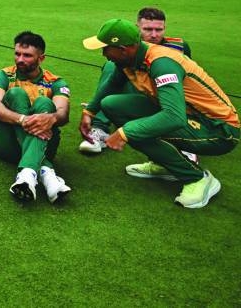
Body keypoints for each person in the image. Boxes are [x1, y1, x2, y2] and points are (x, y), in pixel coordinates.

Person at [80, 19, 239, 209]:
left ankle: (198, 178)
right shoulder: (131, 58)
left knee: (136, 129)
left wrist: (125, 132)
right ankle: (165, 163)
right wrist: (89, 111)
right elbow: (113, 84)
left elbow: (173, 116)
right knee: (112, 105)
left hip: (218, 129)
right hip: (188, 116)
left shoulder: (162, 64)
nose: (104, 54)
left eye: (106, 48)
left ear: (123, 49)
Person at [79, 7, 191, 154]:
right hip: (140, 93)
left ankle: (184, 142)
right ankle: (99, 127)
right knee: (111, 67)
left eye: (159, 29)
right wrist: (90, 111)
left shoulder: (179, 47)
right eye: (148, 29)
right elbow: (113, 83)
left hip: (170, 99)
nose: (153, 35)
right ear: (137, 28)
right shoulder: (125, 55)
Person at [0, 32, 72, 203]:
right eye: (17, 54)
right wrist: (23, 119)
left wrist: (52, 118)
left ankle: (27, 175)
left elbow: (63, 113)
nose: (20, 59)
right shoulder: (4, 75)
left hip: (45, 144)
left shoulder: (55, 82)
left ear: (41, 58)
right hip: (7, 143)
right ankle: (47, 174)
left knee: (45, 104)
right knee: (16, 94)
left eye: (27, 55)